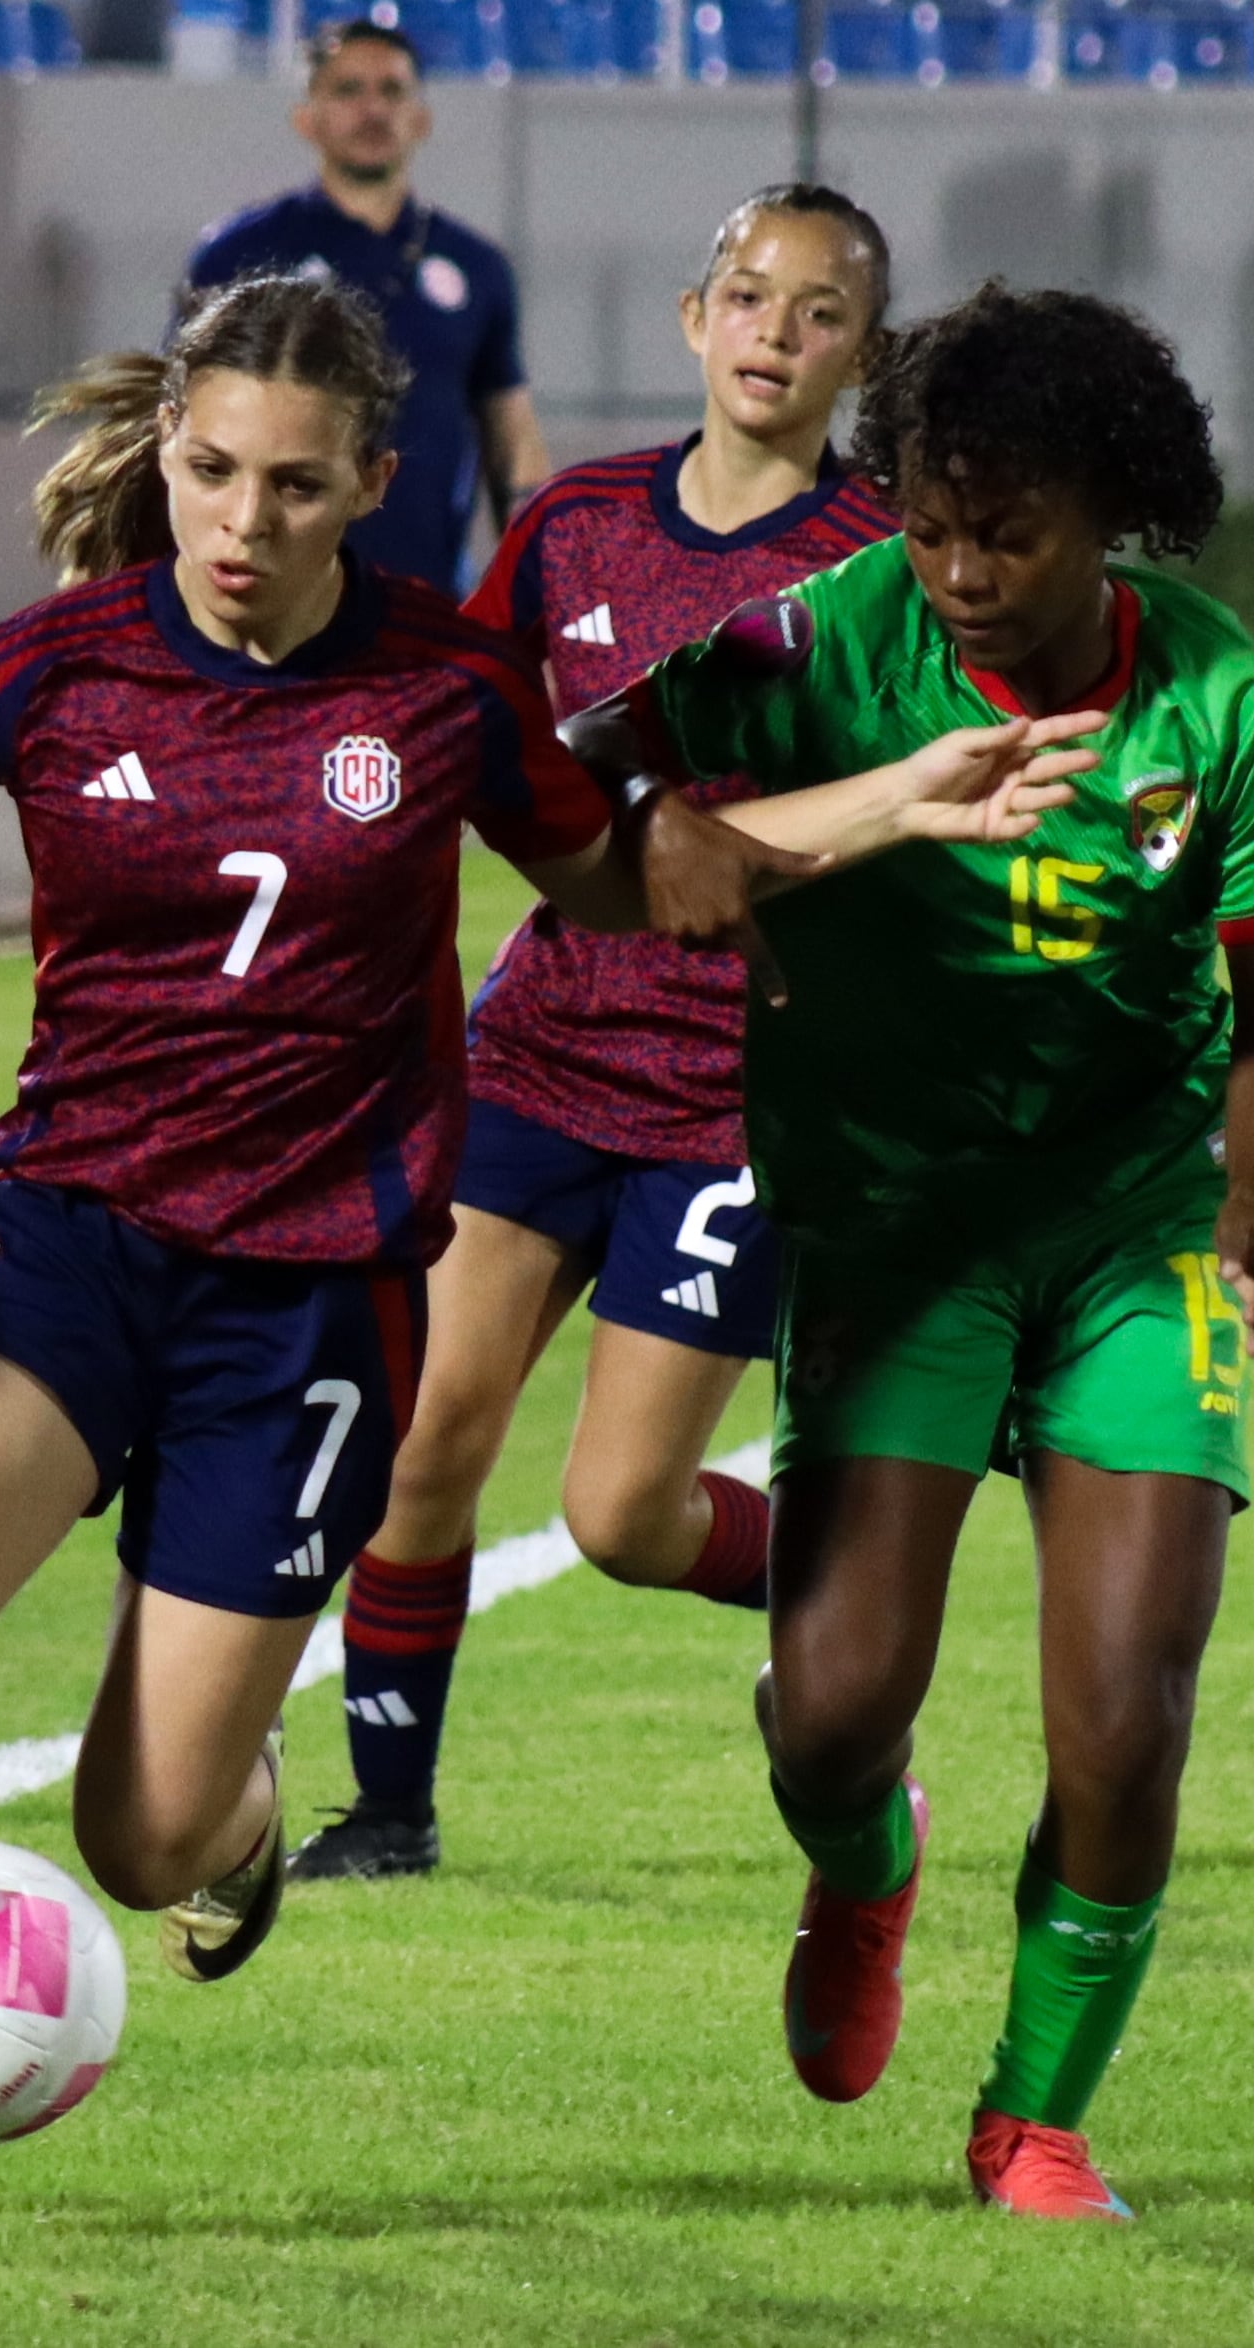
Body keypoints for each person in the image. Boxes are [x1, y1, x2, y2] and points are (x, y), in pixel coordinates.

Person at [0, 272, 1095, 2232]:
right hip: (62, 1251)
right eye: (209, 473)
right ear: (162, 454)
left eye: (294, 487)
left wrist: (895, 798)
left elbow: (650, 875)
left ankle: (229, 1814)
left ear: (372, 489)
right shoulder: (43, 669)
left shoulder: (440, 685)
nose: (240, 526)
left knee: (138, 1830)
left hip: (310, 1309)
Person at [565, 283, 1254, 2224]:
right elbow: (578, 755)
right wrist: (666, 834)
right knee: (829, 1706)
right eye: (926, 523)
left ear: (1112, 515)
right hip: (894, 1233)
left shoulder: (1219, 703)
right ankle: (859, 1864)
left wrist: (1248, 1200)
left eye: (1008, 532)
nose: (961, 569)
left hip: (1128, 1236)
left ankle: (1032, 2119)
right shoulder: (820, 646)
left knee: (1121, 1712)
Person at [292, 184, 900, 1884]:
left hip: (740, 1091)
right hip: (544, 1048)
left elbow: (921, 805)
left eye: (821, 310)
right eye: (751, 296)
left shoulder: (882, 563)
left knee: (622, 1515)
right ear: (693, 317)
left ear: (860, 353)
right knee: (420, 1439)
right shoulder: (570, 524)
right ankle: (390, 1815)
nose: (777, 331)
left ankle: (856, 1603)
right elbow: (459, 738)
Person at [183, 21, 542, 593]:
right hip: (271, 606)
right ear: (307, 118)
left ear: (421, 118)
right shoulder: (237, 255)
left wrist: (540, 589)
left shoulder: (477, 266)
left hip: (428, 603)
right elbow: (176, 422)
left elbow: (511, 437)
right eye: (348, 90)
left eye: (392, 91)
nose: (372, 109)